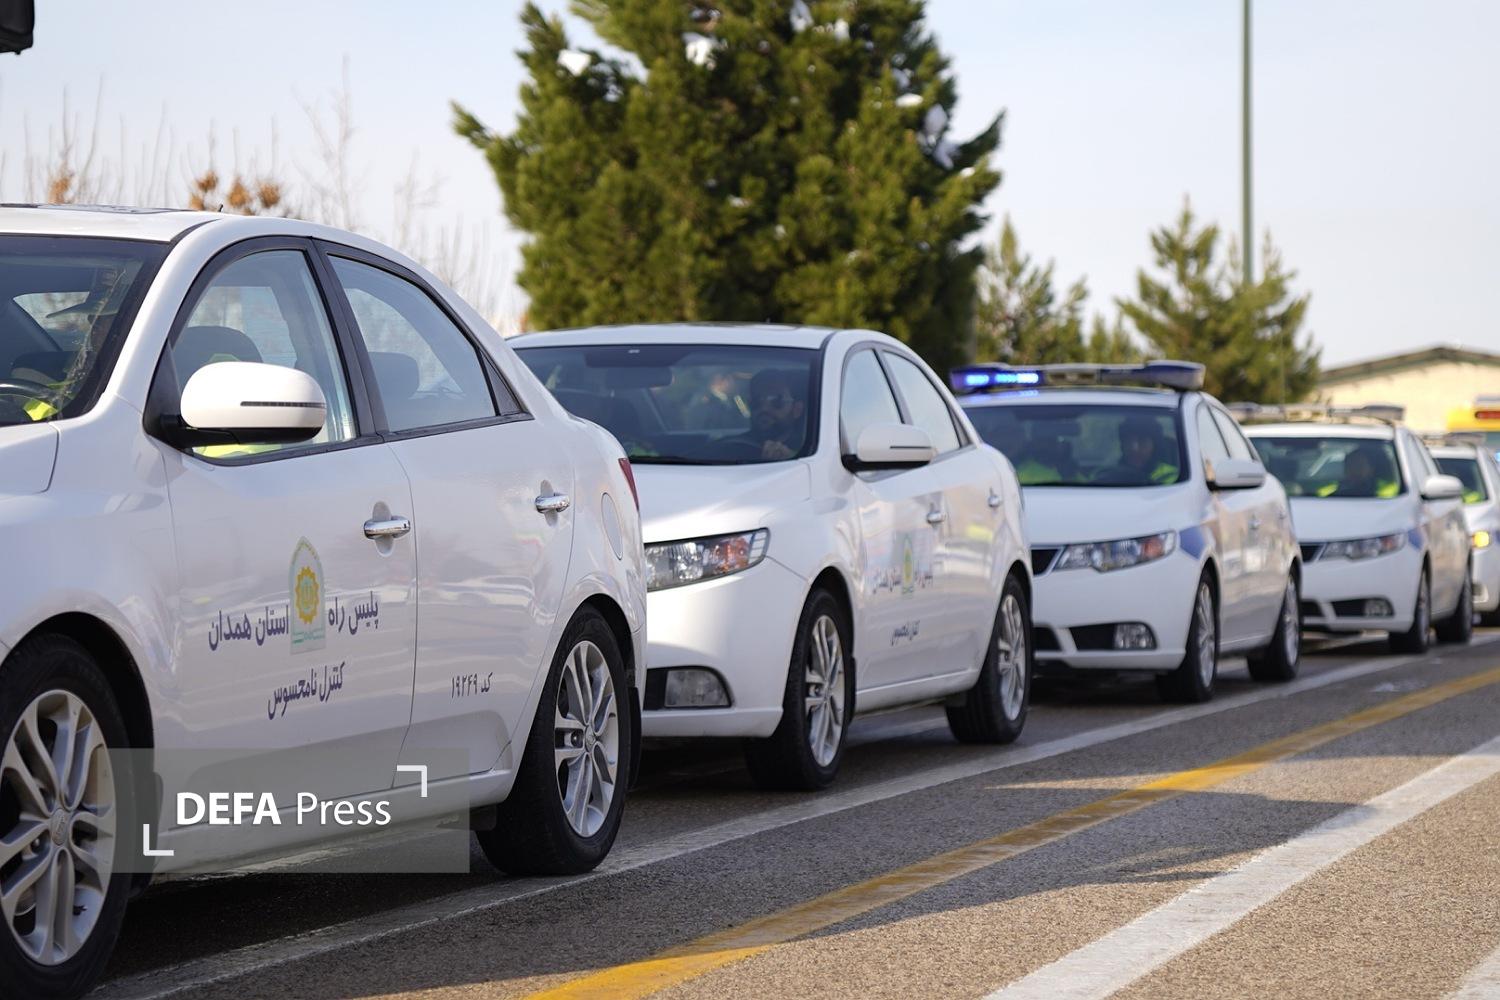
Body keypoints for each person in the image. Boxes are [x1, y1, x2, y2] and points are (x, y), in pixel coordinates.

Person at [733, 368, 806, 460]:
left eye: (776, 401)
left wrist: (792, 458)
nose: (764, 408)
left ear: (797, 410)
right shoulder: (731, 448)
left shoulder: (810, 450)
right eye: (756, 401)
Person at [1117, 414, 1179, 485]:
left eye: (1142, 441)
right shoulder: (1111, 474)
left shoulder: (1172, 477)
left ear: (1155, 446)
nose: (1134, 448)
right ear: (1122, 445)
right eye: (1129, 441)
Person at [1326, 444, 1398, 498]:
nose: (1354, 470)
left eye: (1359, 465)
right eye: (1350, 465)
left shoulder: (1390, 493)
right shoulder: (1330, 493)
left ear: (1371, 469)